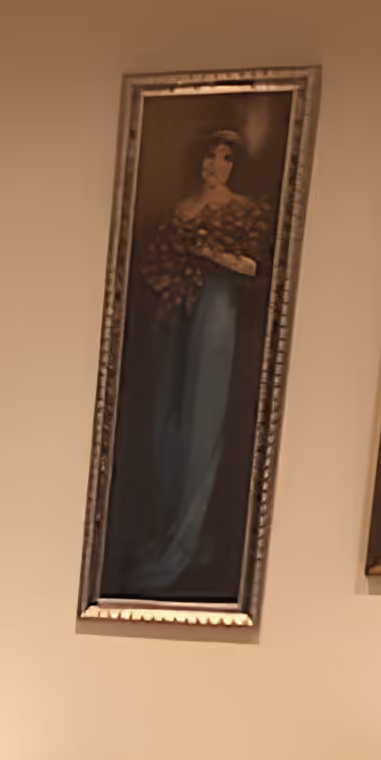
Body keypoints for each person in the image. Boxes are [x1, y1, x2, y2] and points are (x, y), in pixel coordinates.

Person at [120, 128, 276, 597]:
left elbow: (254, 266)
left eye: (225, 158)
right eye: (209, 156)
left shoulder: (244, 211)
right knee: (168, 419)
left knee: (205, 417)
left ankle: (190, 536)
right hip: (178, 314)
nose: (215, 166)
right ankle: (169, 527)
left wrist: (211, 256)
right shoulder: (180, 210)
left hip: (218, 312)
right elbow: (155, 264)